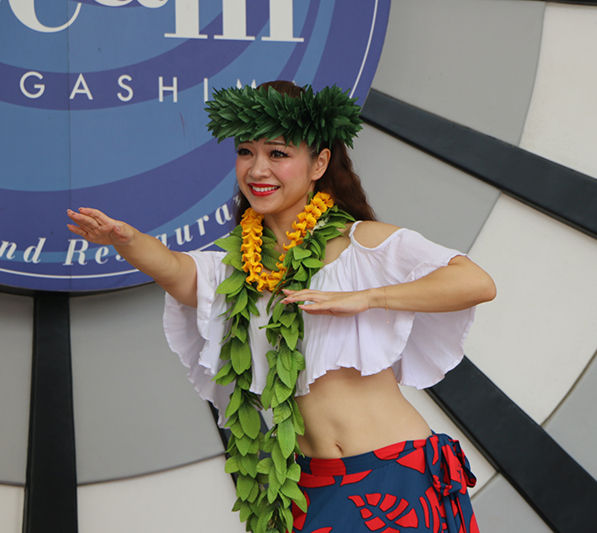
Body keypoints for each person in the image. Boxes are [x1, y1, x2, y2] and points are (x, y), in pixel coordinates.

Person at [67, 81, 495, 533]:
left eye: (277, 153)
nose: (257, 169)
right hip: (305, 487)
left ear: (319, 164)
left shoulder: (362, 245)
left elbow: (475, 282)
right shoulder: (239, 272)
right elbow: (176, 268)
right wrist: (125, 240)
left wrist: (366, 298)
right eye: (245, 152)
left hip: (394, 475)